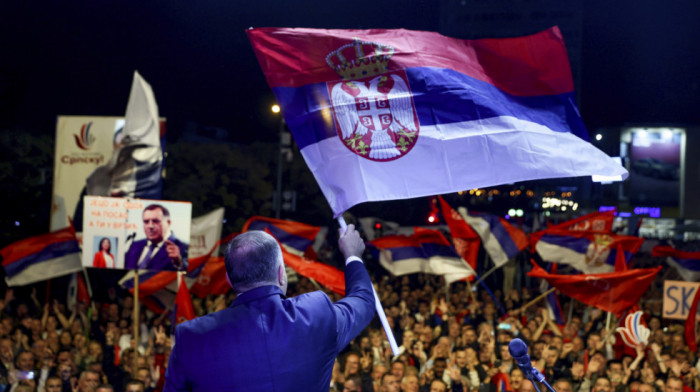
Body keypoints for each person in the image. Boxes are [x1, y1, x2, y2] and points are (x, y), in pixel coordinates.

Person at [164, 224, 375, 391]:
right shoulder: (316, 314)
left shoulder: (191, 337)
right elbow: (363, 300)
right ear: (281, 273)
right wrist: (352, 255)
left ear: (229, 279)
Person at [124, 204, 188, 271]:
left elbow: (189, 273)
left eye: (156, 221)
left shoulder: (183, 248)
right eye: (146, 222)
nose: (150, 226)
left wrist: (180, 264)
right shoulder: (135, 245)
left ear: (168, 223)